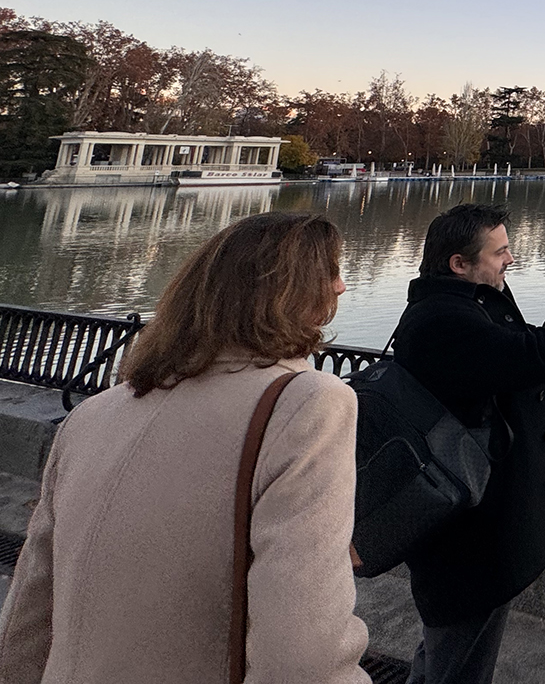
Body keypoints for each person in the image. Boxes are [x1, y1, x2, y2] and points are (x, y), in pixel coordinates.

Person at [0, 212, 370, 682]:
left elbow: (28, 615)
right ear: (287, 292)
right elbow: (302, 654)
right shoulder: (305, 403)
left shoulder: (91, 416)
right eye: (331, 273)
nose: (341, 287)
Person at [393, 203, 545, 684]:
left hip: (471, 522)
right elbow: (532, 354)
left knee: (448, 648)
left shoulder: (463, 304)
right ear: (458, 264)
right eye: (500, 253)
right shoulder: (444, 320)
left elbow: (518, 352)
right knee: (460, 660)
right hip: (466, 533)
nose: (510, 260)